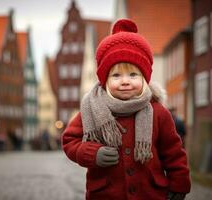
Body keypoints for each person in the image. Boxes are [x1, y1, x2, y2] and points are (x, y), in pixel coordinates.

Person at [62, 19, 191, 200]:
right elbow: (69, 141)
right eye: (116, 75)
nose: (125, 81)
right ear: (104, 80)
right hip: (105, 195)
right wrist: (92, 153)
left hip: (150, 194)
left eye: (133, 74)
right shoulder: (91, 109)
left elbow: (174, 152)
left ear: (144, 78)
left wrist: (179, 183)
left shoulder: (158, 112)